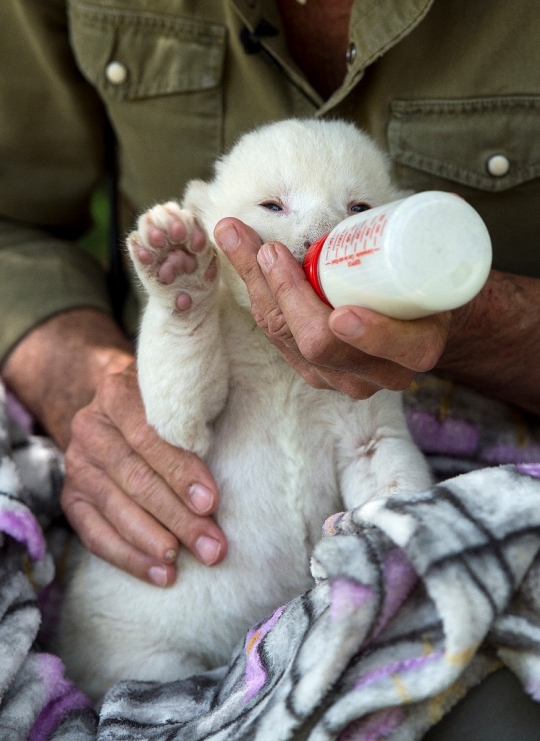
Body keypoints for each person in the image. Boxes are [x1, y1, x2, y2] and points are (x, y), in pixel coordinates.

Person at [1, 0, 540, 736]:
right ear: (203, 214)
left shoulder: (377, 354)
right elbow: (179, 417)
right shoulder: (214, 312)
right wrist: (184, 312)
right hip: (154, 629)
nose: (317, 229)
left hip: (319, 621)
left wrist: (402, 557)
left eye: (356, 206)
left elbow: (379, 457)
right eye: (271, 206)